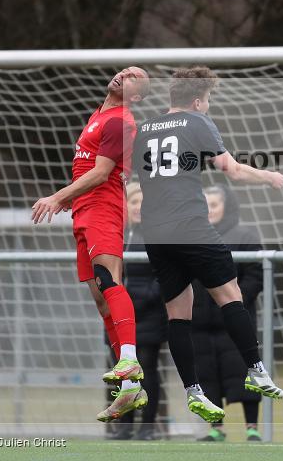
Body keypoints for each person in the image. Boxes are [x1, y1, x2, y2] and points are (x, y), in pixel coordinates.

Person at [135, 66, 283, 425]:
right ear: (198, 101)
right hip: (189, 225)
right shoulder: (197, 122)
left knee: (178, 312)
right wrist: (268, 176)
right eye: (208, 101)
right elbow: (231, 170)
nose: (207, 106)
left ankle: (193, 390)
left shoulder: (143, 129)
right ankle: (255, 369)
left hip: (154, 232)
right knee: (230, 294)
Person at [32, 67, 151, 422]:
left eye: (133, 77)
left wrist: (57, 196)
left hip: (103, 208)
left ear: (136, 96)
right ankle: (129, 386)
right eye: (124, 71)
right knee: (100, 297)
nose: (124, 75)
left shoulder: (120, 121)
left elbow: (101, 173)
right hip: (83, 209)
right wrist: (71, 198)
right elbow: (87, 170)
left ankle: (129, 359)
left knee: (109, 279)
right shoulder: (98, 115)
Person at [193, 184, 265, 442]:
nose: (209, 210)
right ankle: (216, 428)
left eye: (214, 204)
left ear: (227, 206)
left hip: (235, 321)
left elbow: (255, 275)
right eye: (205, 205)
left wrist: (234, 301)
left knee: (245, 373)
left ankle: (252, 428)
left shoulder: (245, 236)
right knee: (206, 376)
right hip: (201, 323)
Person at [104, 182, 170, 440]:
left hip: (149, 314)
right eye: (133, 201)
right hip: (119, 317)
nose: (138, 207)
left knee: (148, 369)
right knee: (122, 372)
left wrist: (143, 299)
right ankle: (124, 425)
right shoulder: (116, 234)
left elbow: (165, 275)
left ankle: (148, 426)